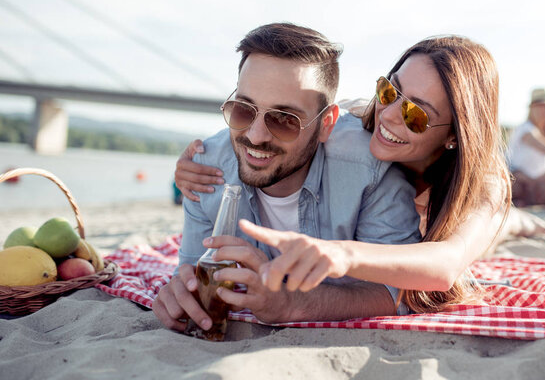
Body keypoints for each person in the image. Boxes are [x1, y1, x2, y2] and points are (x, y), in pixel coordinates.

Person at [177, 35, 545, 314]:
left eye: (416, 115)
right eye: (391, 91)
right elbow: (280, 124)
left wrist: (343, 254)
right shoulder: (360, 121)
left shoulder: (484, 182)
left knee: (497, 232)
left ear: (455, 136)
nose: (390, 115)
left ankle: (520, 220)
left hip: (444, 225)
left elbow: (445, 264)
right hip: (394, 230)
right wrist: (202, 158)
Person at [152, 23, 422, 333]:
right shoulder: (205, 170)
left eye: (284, 120)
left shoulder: (371, 170)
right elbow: (190, 272)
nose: (255, 136)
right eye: (243, 109)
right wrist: (181, 291)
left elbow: (397, 292)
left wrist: (290, 304)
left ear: (325, 124)